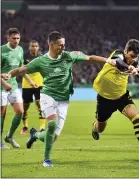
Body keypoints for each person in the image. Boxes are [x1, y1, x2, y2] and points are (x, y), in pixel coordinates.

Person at [5, 31, 115, 167]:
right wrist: (9, 74)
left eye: (64, 45)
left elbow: (90, 57)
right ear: (51, 45)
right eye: (60, 45)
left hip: (64, 99)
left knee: (53, 136)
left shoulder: (69, 56)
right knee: (51, 124)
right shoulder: (41, 61)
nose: (63, 47)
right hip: (47, 95)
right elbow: (23, 69)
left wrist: (108, 60)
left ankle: (35, 135)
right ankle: (46, 159)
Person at [91, 39, 139, 162]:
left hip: (121, 97)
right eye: (131, 56)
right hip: (105, 98)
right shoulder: (118, 54)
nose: (133, 59)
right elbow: (119, 62)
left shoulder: (135, 62)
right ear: (126, 51)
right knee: (100, 127)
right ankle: (94, 126)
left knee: (136, 117)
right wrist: (129, 67)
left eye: (136, 57)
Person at [1, 28, 29, 149]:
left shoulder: (20, 50)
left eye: (18, 38)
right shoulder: (2, 51)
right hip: (1, 87)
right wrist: (4, 83)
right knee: (2, 113)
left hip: (13, 86)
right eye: (14, 38)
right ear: (8, 38)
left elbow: (20, 69)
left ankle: (9, 137)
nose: (16, 41)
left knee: (20, 111)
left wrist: (30, 81)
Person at [21, 40, 46, 134]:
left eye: (36, 46)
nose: (34, 47)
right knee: (25, 106)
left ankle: (42, 127)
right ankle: (25, 126)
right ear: (29, 47)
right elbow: (21, 71)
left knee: (40, 104)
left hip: (39, 83)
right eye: (32, 46)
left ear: (38, 47)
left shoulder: (42, 57)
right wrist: (30, 82)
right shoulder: (24, 57)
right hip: (27, 84)